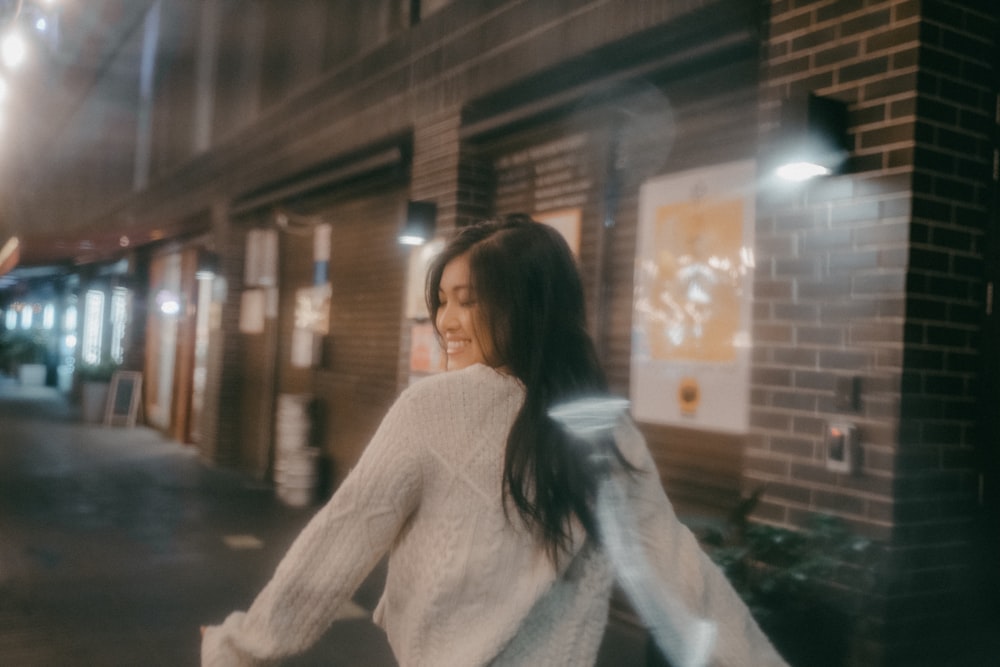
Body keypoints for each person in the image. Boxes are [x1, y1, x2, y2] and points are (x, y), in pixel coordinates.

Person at [201, 214, 787, 666]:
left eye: (467, 301)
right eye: (441, 302)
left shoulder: (433, 409)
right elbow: (682, 574)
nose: (445, 321)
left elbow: (343, 537)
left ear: (526, 307)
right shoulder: (603, 427)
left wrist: (245, 648)